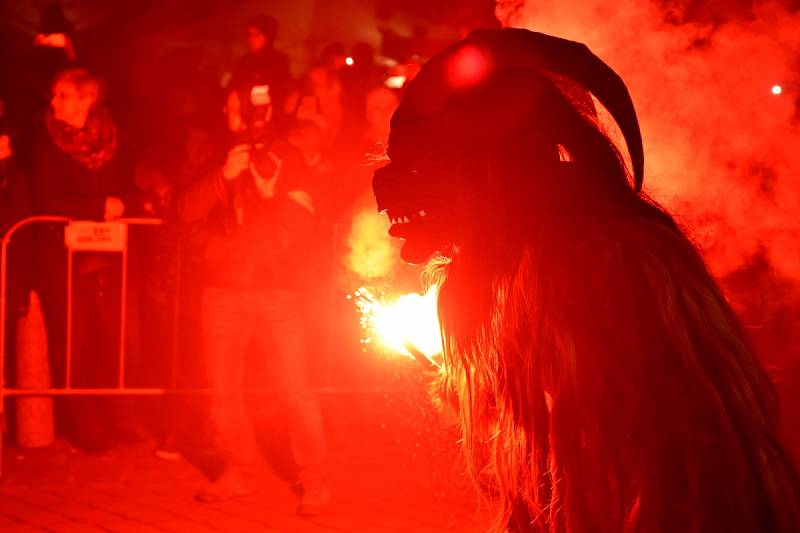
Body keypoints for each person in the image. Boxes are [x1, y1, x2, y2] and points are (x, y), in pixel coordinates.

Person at [373, 29, 800, 531]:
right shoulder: (543, 252)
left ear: (485, 172)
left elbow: (642, 450)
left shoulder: (593, 262)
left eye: (429, 172)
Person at [177, 114, 328, 515]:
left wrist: (269, 192)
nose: (246, 116)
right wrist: (224, 175)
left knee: (296, 391)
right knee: (223, 392)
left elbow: (305, 222)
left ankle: (314, 479)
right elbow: (187, 210)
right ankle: (239, 471)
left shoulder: (287, 157)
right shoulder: (215, 154)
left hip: (277, 289)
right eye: (236, 107)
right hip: (222, 288)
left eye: (257, 107)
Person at [29, 68, 131, 454]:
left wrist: (126, 203)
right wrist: (96, 207)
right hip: (64, 258)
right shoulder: (45, 143)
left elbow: (123, 185)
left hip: (106, 257)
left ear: (88, 100)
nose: (54, 102)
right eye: (54, 95)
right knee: (71, 343)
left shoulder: (112, 138)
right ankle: (84, 423)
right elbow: (45, 198)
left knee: (111, 341)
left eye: (64, 96)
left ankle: (115, 416)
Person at [227, 15, 292, 135]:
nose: (251, 39)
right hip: (243, 126)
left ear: (268, 37)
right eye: (249, 35)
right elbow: (233, 90)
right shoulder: (243, 62)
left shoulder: (278, 61)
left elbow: (283, 93)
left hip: (270, 125)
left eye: (256, 35)